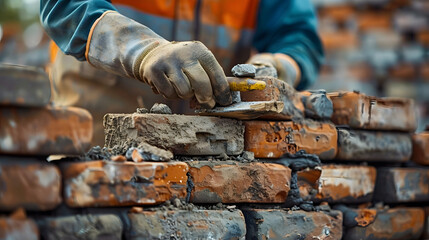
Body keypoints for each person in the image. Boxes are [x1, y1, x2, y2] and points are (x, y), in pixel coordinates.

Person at [40, 0, 324, 145]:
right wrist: (142, 51)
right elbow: (65, 7)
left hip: (210, 163)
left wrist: (279, 65)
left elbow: (297, 34)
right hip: (92, 148)